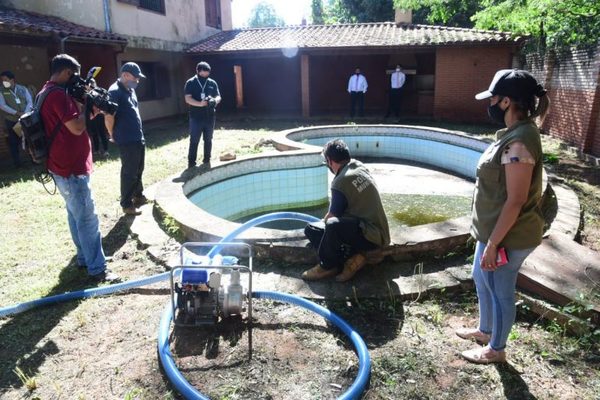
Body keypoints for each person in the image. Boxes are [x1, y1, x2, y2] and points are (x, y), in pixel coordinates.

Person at [457, 69, 550, 364]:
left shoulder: (519, 143)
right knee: (480, 278)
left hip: (508, 235)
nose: (490, 104)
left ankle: (496, 349)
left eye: (493, 99)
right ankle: (485, 330)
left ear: (507, 102)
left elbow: (516, 200)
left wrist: (495, 243)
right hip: (494, 231)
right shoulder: (513, 135)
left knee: (501, 291)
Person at [40, 54, 119, 282]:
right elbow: (76, 127)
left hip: (60, 166)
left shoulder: (45, 92)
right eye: (74, 75)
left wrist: (88, 107)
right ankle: (98, 269)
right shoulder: (57, 95)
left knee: (75, 215)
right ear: (66, 72)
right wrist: (90, 109)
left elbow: (70, 123)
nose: (77, 81)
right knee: (87, 218)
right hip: (71, 168)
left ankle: (85, 258)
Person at [302, 139, 390, 282]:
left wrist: (325, 223)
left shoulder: (340, 181)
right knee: (311, 229)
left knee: (330, 225)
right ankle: (355, 259)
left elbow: (331, 217)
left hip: (371, 236)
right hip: (378, 231)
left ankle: (328, 266)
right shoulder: (358, 166)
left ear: (330, 161)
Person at [105, 62, 147, 216]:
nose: (137, 80)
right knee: (129, 171)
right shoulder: (114, 91)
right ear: (125, 75)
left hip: (137, 136)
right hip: (126, 138)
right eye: (135, 77)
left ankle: (138, 195)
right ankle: (127, 204)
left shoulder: (130, 89)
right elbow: (109, 116)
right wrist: (112, 134)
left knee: (139, 168)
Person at [184, 61, 221, 169]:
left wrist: (215, 100)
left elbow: (218, 96)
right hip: (196, 117)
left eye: (207, 73)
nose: (205, 76)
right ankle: (191, 162)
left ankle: (207, 159)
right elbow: (188, 99)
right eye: (203, 74)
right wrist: (199, 104)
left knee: (208, 139)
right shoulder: (191, 82)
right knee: (194, 139)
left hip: (210, 116)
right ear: (198, 71)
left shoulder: (212, 82)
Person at [0, 70, 33, 167]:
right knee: (13, 142)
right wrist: (16, 113)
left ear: (12, 80)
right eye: (2, 80)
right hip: (11, 121)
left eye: (5, 80)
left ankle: (34, 159)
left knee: (28, 140)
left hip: (25, 119)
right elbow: (2, 105)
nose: (3, 82)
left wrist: (25, 113)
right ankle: (17, 163)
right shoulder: (2, 91)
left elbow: (29, 101)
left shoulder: (22, 89)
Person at [85, 78, 109, 157]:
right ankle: (97, 150)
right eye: (90, 84)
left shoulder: (99, 91)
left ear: (95, 83)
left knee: (102, 132)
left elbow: (105, 100)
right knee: (94, 133)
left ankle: (106, 150)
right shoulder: (86, 93)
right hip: (91, 115)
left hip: (100, 115)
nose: (91, 85)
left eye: (92, 83)